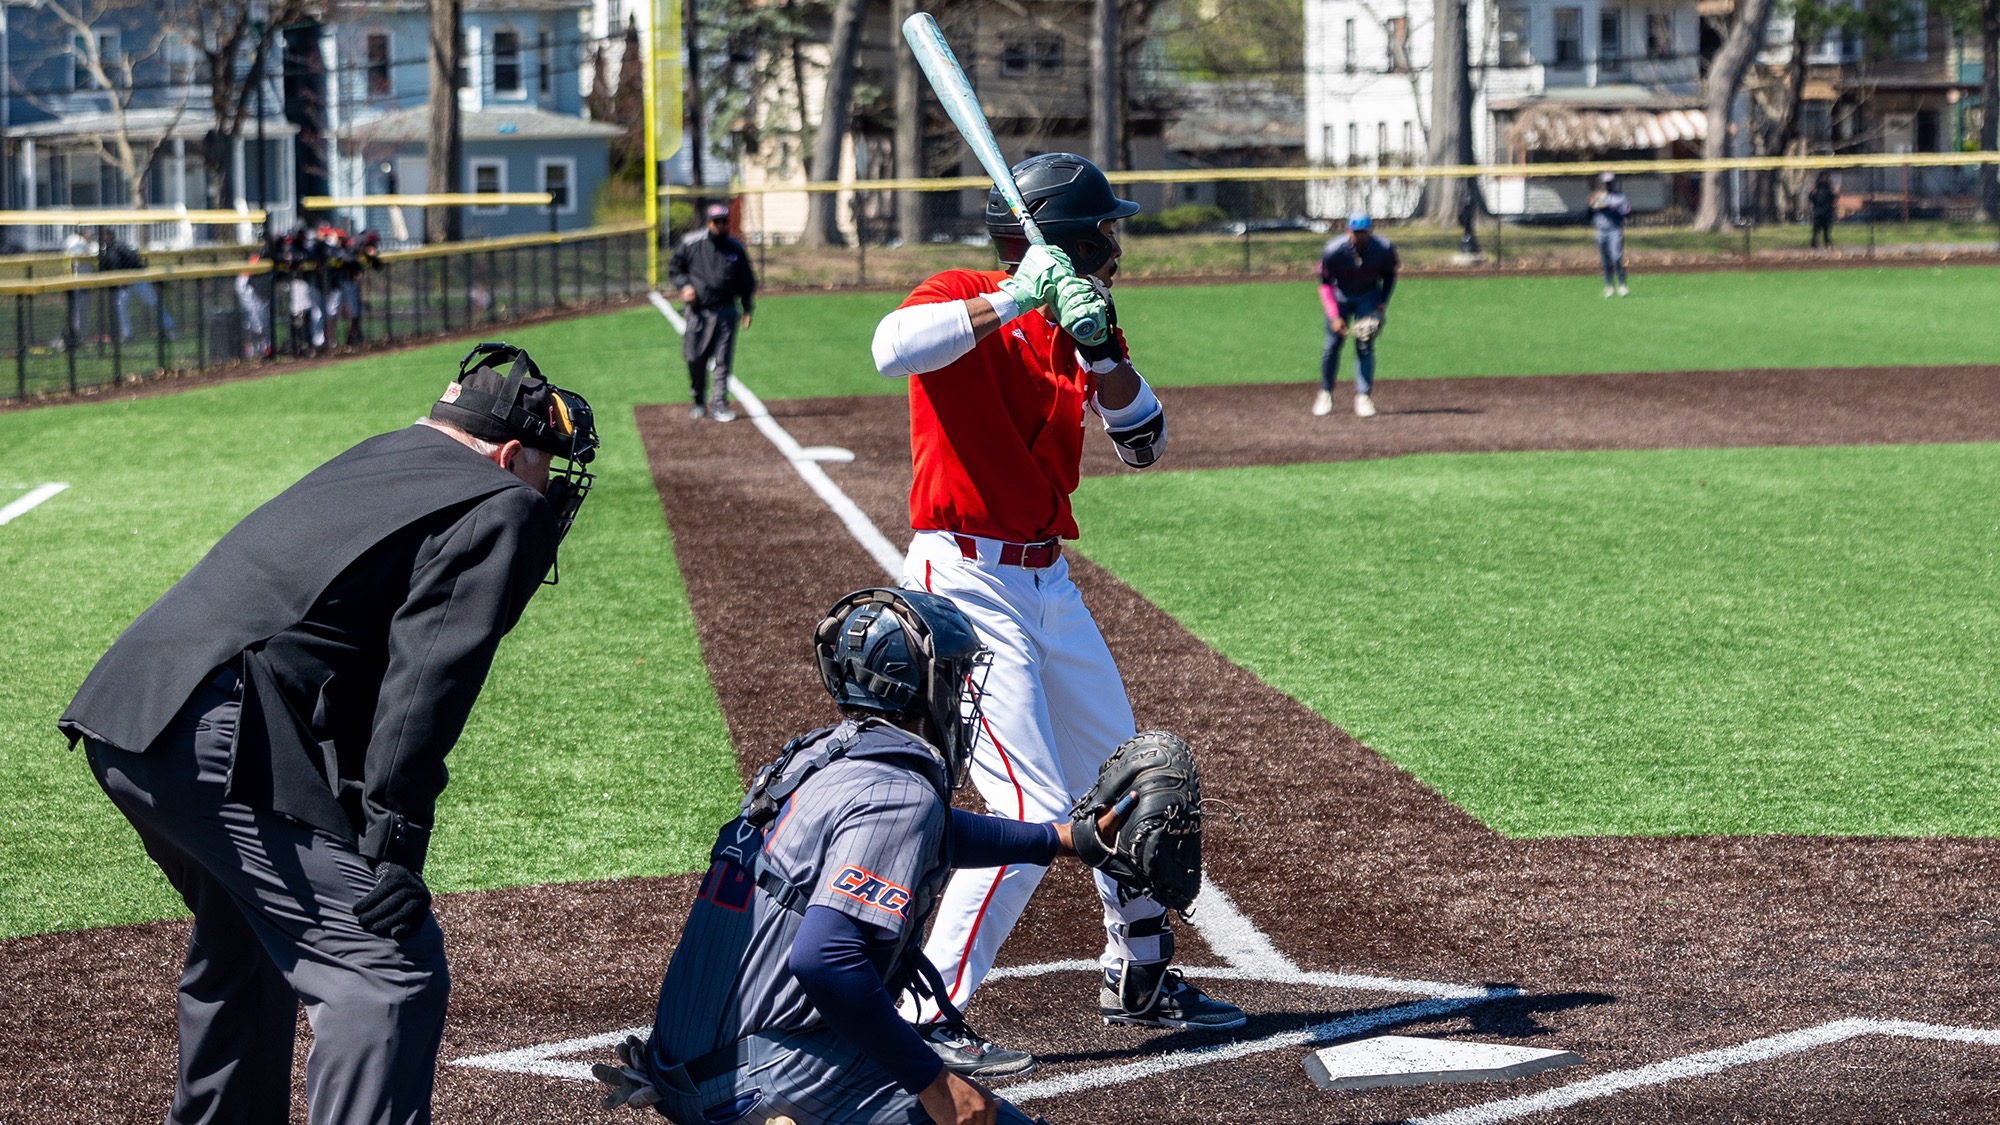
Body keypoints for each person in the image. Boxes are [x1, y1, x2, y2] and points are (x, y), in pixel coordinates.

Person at [57, 342, 598, 1125]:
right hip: (217, 727)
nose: (548, 489)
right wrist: (394, 844)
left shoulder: (385, 454)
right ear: (509, 453)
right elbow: (423, 688)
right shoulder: (499, 500)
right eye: (547, 467)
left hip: (129, 711)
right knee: (386, 970)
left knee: (246, 948)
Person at [866, 151, 1242, 1078]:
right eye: (1103, 231)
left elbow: (1142, 438)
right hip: (963, 580)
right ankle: (916, 1015)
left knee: (1137, 785)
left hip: (1046, 580)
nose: (1114, 246)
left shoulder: (1076, 319)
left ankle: (1142, 975)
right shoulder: (963, 294)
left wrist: (1103, 347)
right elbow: (890, 348)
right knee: (1029, 807)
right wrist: (1014, 299)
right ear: (1064, 239)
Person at [596, 588, 1136, 1124]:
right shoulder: (899, 792)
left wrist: (1061, 839)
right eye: (953, 676)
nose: (960, 694)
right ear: (919, 687)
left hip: (680, 1066)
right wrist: (937, 1085)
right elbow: (825, 960)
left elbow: (935, 832)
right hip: (761, 1078)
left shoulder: (813, 758)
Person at [669, 202, 757, 422]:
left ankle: (719, 404)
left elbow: (746, 280)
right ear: (708, 222)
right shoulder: (691, 243)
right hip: (698, 313)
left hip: (726, 312)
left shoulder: (735, 249)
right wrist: (684, 285)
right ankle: (698, 399)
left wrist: (747, 307)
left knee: (722, 360)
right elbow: (674, 269)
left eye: (724, 222)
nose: (720, 226)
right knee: (694, 358)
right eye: (716, 222)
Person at [1314, 211, 1400, 418]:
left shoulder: (1384, 248)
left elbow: (1389, 276)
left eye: (1363, 232)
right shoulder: (1333, 250)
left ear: (1370, 231)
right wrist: (1334, 316)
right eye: (1356, 232)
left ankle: (1363, 396)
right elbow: (1325, 284)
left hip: (1368, 295)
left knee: (1364, 344)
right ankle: (1325, 392)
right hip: (1340, 295)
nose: (1360, 236)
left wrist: (1381, 304)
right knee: (1332, 345)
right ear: (1348, 231)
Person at [98, 228, 175, 343]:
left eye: (105, 235)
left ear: (109, 236)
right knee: (121, 306)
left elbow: (133, 259)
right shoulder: (106, 251)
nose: (103, 238)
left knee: (153, 302)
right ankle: (128, 334)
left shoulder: (118, 246)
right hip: (126, 283)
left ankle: (169, 328)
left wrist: (127, 276)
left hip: (137, 279)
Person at [1588, 172, 1631, 299]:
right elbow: (1589, 212)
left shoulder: (1619, 197)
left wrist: (1611, 208)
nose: (1607, 185)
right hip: (1601, 231)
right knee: (1605, 260)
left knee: (1616, 257)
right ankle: (1609, 286)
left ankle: (1622, 285)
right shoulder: (1597, 196)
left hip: (1614, 230)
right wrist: (1592, 205)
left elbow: (1626, 213)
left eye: (1609, 183)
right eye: (1605, 183)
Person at [1808, 172, 1838, 250]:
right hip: (1818, 212)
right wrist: (1812, 193)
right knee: (1816, 230)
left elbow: (1834, 198)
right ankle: (1814, 245)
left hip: (1827, 212)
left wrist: (1834, 193)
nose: (1824, 178)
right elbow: (1811, 198)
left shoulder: (1829, 186)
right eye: (1822, 177)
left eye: (1825, 177)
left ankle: (1827, 244)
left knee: (1827, 230)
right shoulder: (1817, 187)